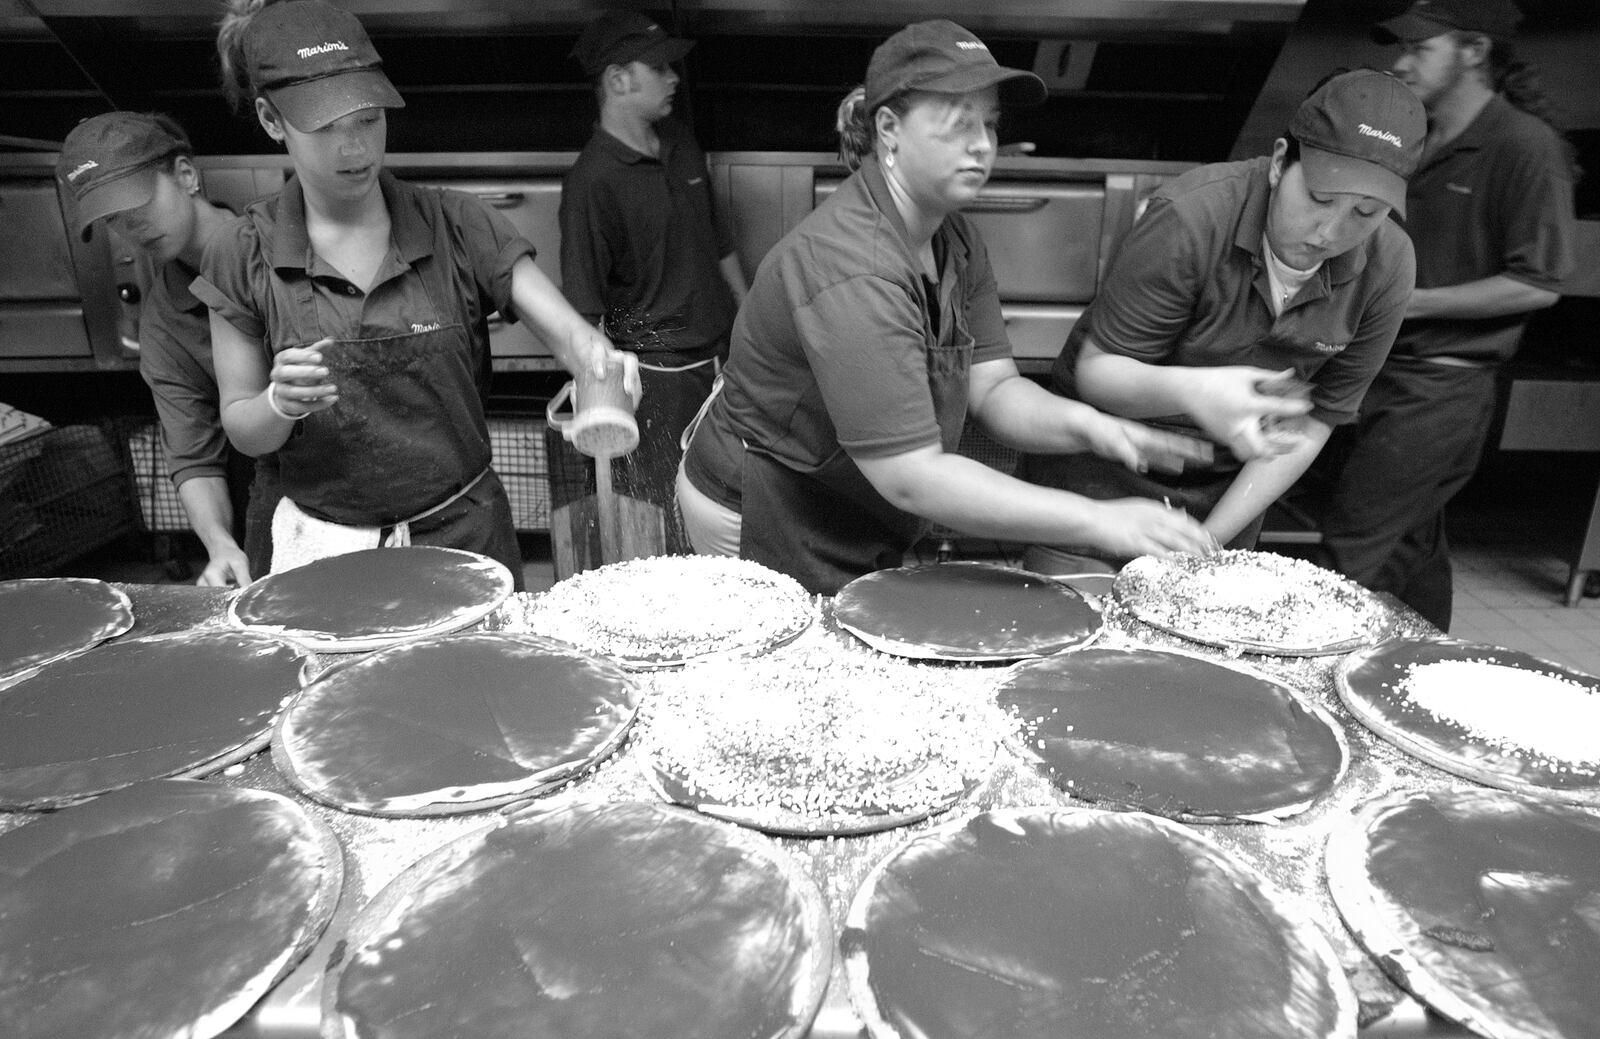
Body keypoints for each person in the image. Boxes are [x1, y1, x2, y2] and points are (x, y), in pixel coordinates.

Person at [677, 19, 1217, 596]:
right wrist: (1100, 519)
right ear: (889, 129)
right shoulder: (849, 268)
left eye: (989, 123)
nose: (982, 145)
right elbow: (913, 477)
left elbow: (995, 390)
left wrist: (1094, 428)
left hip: (851, 496)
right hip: (767, 503)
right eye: (958, 124)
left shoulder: (953, 239)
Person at [200, 0, 632, 587]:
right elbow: (242, 425)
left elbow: (568, 334)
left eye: (367, 120)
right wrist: (278, 405)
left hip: (463, 537)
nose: (355, 149)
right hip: (326, 550)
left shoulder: (456, 222)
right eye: (326, 128)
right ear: (272, 121)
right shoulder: (241, 252)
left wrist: (598, 364)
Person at [1022, 68, 1425, 568]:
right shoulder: (1192, 217)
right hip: (1102, 468)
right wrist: (1195, 392)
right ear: (1280, 162)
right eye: (1320, 199)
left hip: (1229, 491)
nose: (1329, 231)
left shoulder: (1388, 266)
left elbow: (1315, 421)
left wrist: (1204, 545)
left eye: (1365, 213)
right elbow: (1099, 374)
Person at [1317, 0, 1577, 631]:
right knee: (1411, 549)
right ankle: (1428, 662)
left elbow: (1539, 283)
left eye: (1420, 50)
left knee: (1351, 553)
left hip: (1440, 387)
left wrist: (1407, 302)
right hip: (1380, 370)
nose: (1402, 64)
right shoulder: (1417, 137)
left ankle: (1308, 695)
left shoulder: (1523, 145)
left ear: (1475, 51)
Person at [56, 111, 280, 587]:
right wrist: (221, 545)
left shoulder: (286, 246)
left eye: (137, 200)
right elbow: (194, 455)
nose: (132, 226)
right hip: (279, 506)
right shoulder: (164, 323)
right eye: (115, 218)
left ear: (185, 174)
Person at [556, 11, 747, 555]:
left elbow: (721, 239)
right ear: (618, 81)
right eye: (660, 68)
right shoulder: (591, 183)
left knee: (718, 507)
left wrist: (750, 318)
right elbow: (582, 315)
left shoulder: (681, 143)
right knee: (658, 521)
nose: (674, 79)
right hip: (655, 381)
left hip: (720, 365)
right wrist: (606, 399)